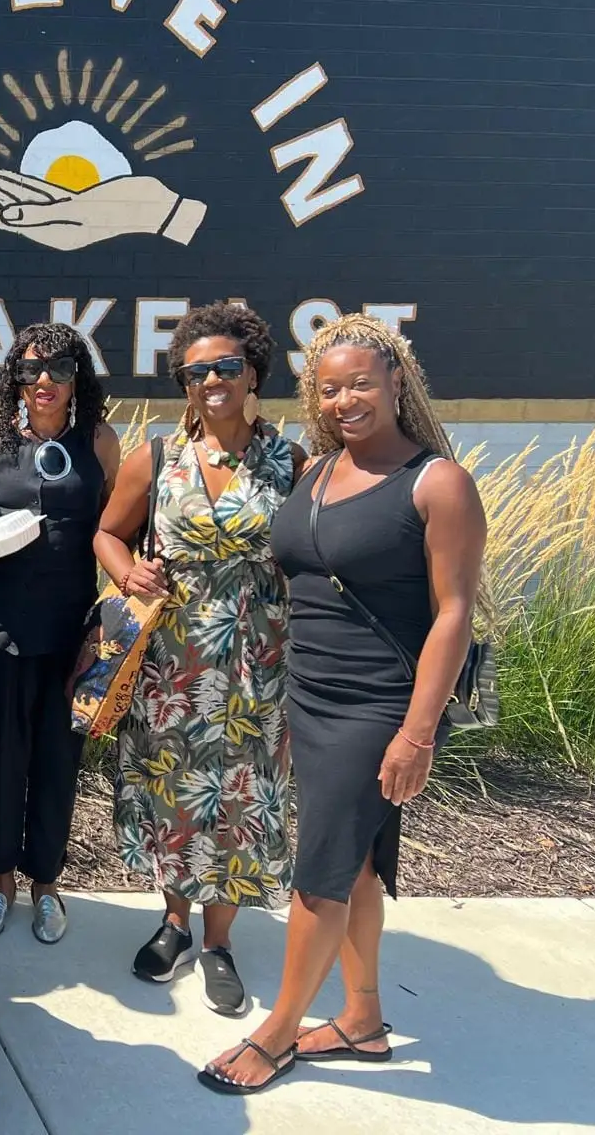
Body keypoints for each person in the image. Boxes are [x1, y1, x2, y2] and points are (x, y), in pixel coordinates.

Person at [200, 315, 485, 1093]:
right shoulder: (320, 470)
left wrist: (417, 735)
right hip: (311, 695)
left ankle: (277, 1034)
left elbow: (454, 614)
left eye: (361, 383)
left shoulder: (437, 483)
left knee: (321, 870)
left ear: (397, 380)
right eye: (329, 390)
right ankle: (362, 1018)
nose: (345, 401)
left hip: (380, 707)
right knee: (353, 863)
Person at [96, 301, 303, 1016]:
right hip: (173, 661)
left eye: (226, 367)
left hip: (258, 661)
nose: (212, 380)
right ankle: (175, 923)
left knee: (240, 797)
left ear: (254, 374)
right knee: (174, 790)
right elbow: (108, 534)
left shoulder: (292, 463)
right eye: (196, 372)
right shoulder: (158, 457)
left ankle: (219, 943)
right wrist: (128, 573)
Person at [0, 322, 120, 944]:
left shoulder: (100, 440)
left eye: (60, 369)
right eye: (31, 369)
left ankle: (45, 883)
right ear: (14, 376)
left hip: (70, 630)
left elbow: (118, 525)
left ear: (77, 378)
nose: (45, 380)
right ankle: (0, 879)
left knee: (57, 757)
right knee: (0, 752)